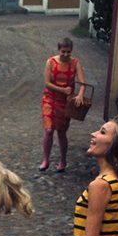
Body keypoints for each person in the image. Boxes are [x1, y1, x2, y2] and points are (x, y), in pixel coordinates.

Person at [40, 37, 86, 172]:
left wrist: (80, 95)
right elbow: (47, 82)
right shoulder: (51, 62)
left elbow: (83, 83)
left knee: (61, 132)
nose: (66, 55)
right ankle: (45, 160)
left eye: (68, 52)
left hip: (65, 102)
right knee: (48, 130)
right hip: (50, 99)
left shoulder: (75, 63)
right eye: (63, 52)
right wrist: (62, 90)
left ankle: (63, 161)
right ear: (58, 50)